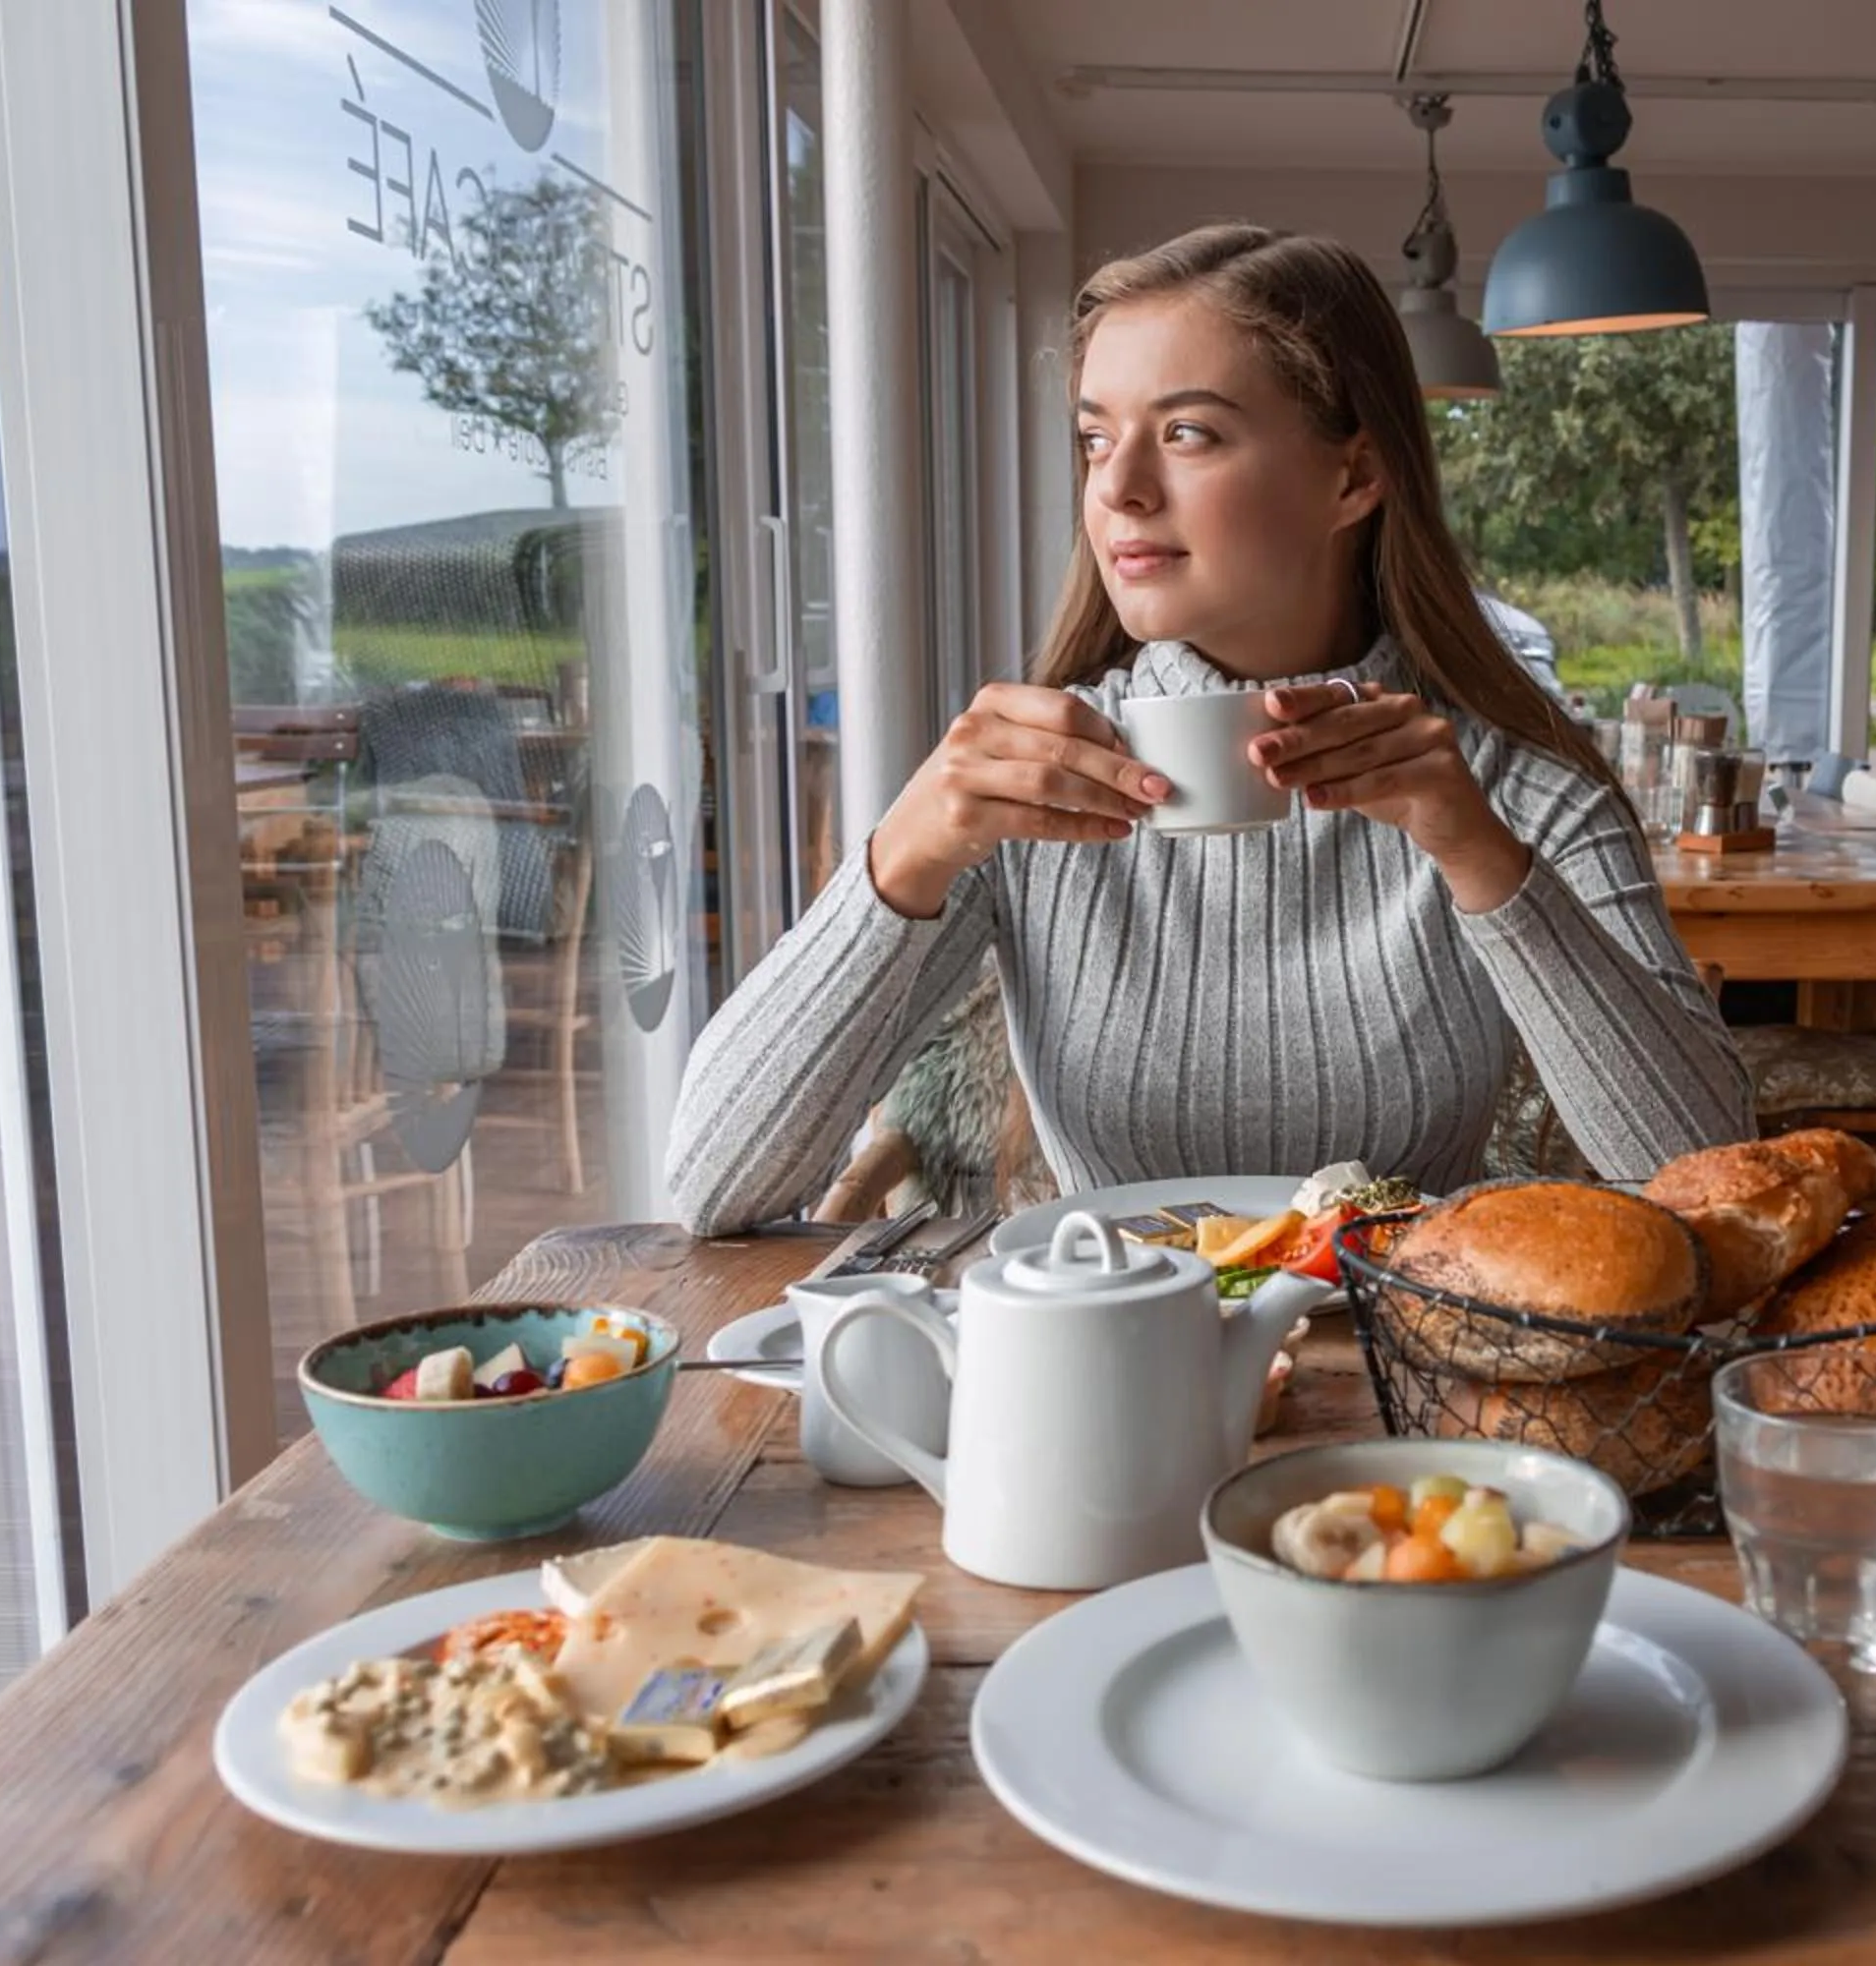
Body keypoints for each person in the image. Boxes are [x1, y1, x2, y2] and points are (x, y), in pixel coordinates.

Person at [666, 224, 1750, 1236]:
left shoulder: (1512, 785)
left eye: (1187, 433)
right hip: (1102, 1376)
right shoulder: (1032, 782)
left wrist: (1480, 857)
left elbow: (1711, 1182)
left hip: (1405, 1394)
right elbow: (708, 1190)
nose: (1119, 490)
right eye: (1097, 438)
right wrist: (899, 860)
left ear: (1356, 475)